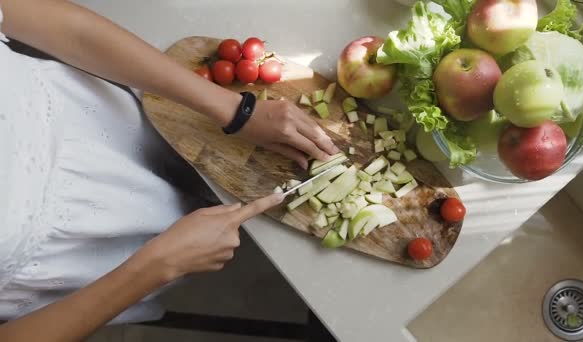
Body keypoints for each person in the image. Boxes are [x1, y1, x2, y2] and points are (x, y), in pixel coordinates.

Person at [0, 0, 339, 341]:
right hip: (85, 254)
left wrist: (236, 110)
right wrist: (157, 266)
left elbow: (69, 30)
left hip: (100, 114)